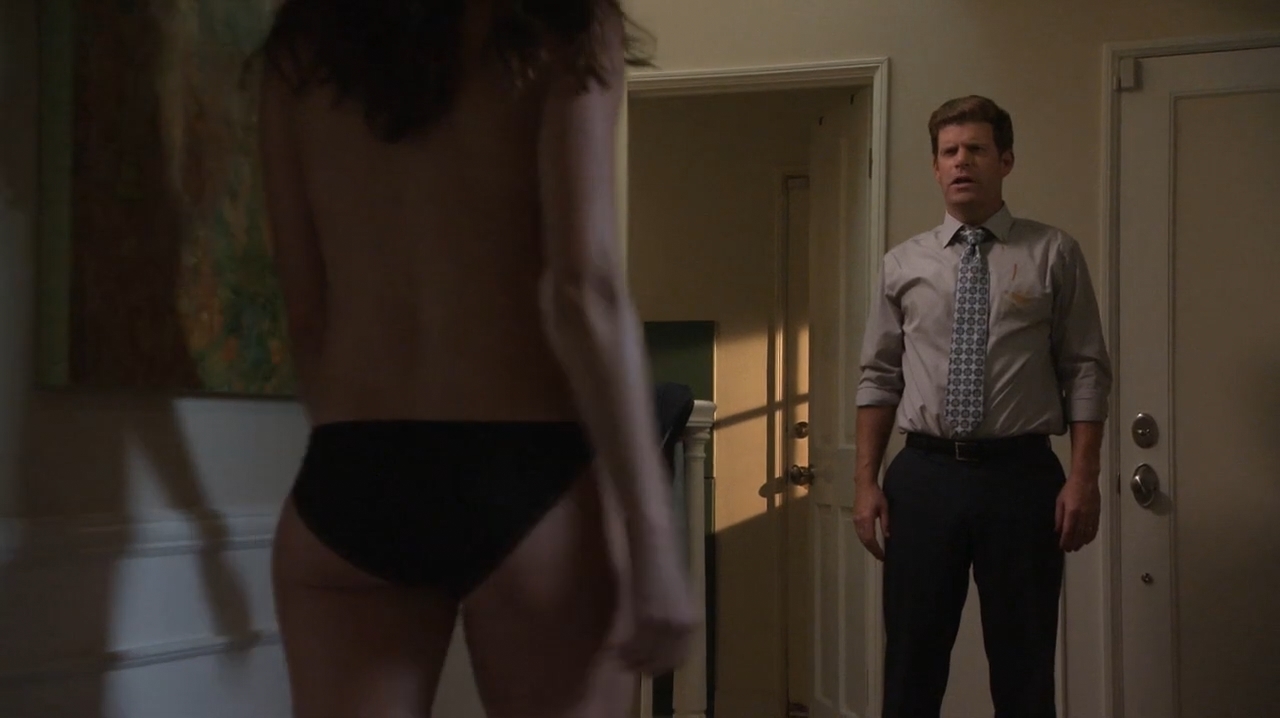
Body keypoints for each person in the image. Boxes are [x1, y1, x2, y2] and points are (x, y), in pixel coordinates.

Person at [253, 1, 696, 716]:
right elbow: (584, 290)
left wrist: (362, 454)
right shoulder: (563, 21)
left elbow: (306, 310)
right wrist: (654, 538)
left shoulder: (302, 46)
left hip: (352, 472)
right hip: (526, 472)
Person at [852, 95, 1112, 717]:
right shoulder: (902, 264)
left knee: (1024, 666)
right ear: (936, 167)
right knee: (912, 662)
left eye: (975, 149)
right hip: (924, 477)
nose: (961, 161)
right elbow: (878, 376)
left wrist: (1084, 478)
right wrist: (865, 482)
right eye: (949, 151)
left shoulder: (1053, 253)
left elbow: (1085, 369)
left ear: (1006, 160)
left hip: (1021, 479)